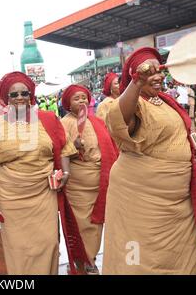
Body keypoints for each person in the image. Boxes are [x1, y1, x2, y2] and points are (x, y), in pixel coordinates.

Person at [103, 47, 196, 274]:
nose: (158, 76)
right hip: (141, 201)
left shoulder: (166, 102)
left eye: (159, 70)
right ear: (135, 77)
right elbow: (119, 119)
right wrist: (136, 84)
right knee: (142, 258)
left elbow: (173, 134)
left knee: (185, 256)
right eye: (148, 72)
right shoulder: (135, 103)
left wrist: (190, 148)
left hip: (179, 204)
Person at [0, 71, 89, 275]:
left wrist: (65, 172)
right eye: (14, 95)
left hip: (44, 191)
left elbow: (64, 148)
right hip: (11, 195)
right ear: (6, 98)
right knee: (19, 248)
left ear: (31, 95)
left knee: (48, 242)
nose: (20, 97)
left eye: (24, 93)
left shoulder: (48, 119)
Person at [60, 84, 118, 275]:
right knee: (81, 222)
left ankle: (90, 257)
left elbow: (110, 145)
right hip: (77, 182)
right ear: (68, 103)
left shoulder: (96, 121)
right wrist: (74, 148)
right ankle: (82, 259)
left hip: (100, 180)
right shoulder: (65, 123)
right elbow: (60, 153)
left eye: (84, 97)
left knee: (96, 222)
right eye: (76, 98)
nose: (82, 101)